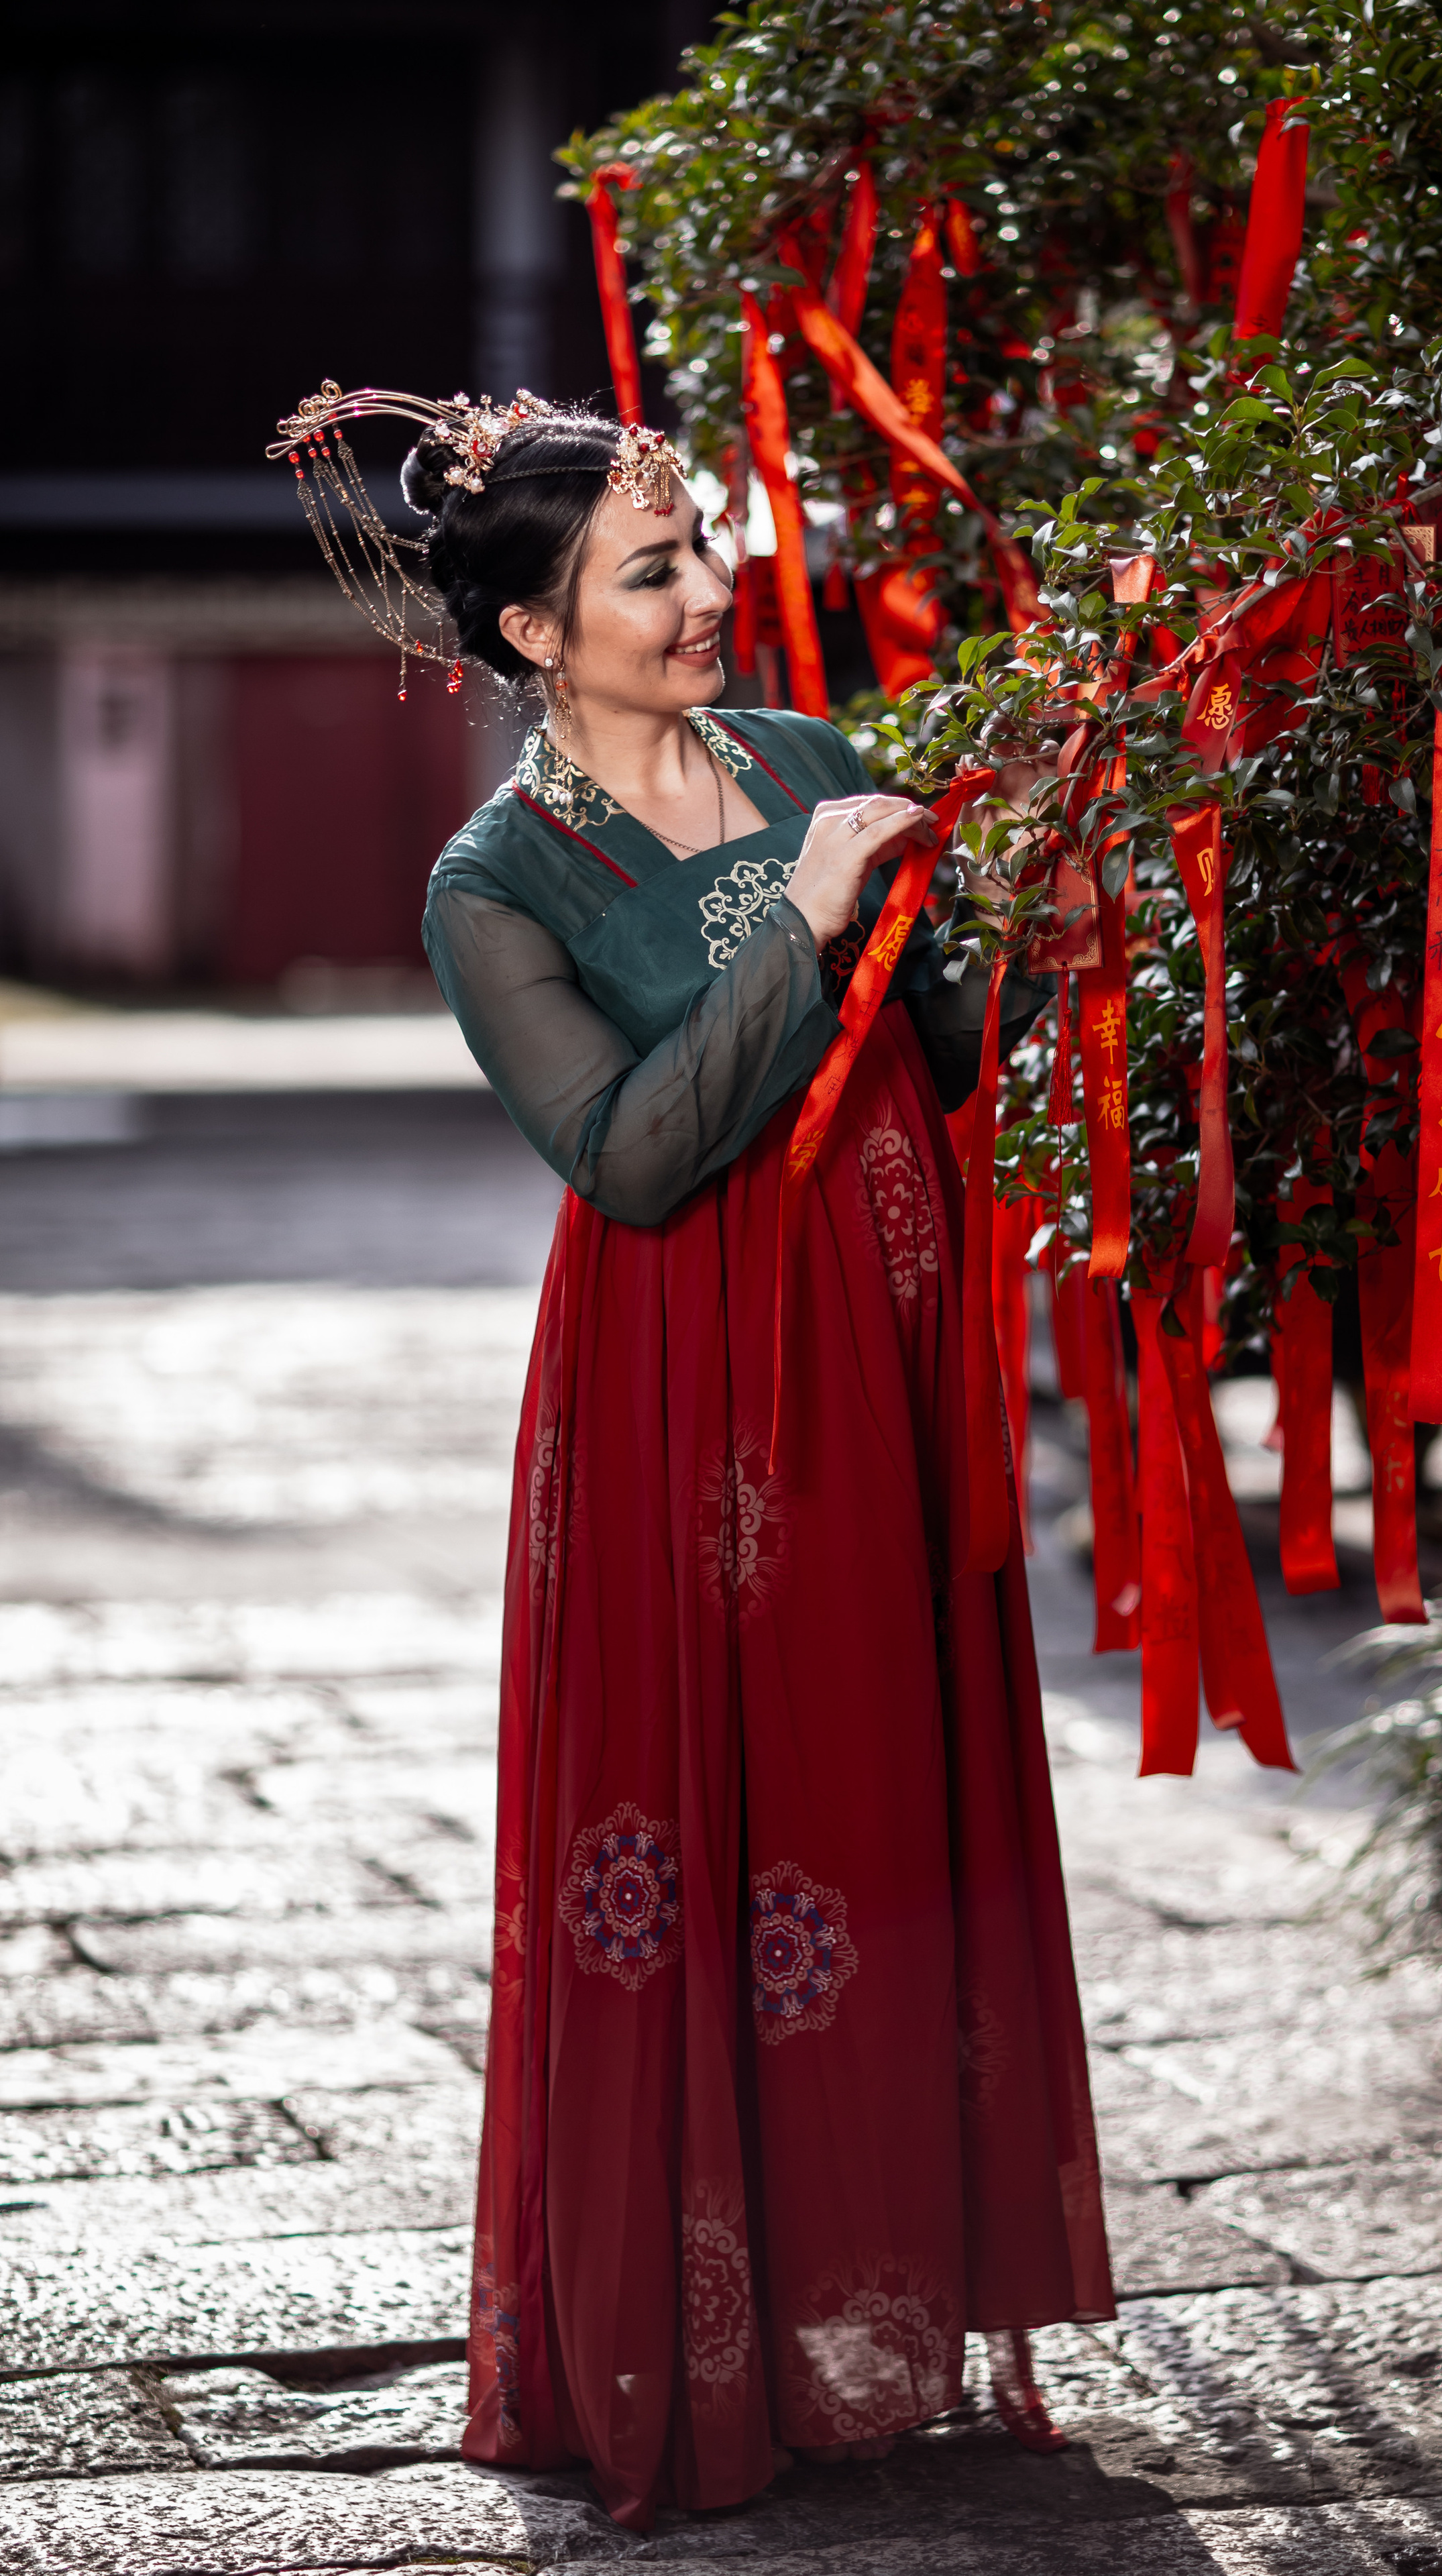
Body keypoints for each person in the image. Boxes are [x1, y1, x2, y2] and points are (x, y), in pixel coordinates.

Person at [279, 388, 1113, 2532]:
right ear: (538, 631)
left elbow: (942, 1050)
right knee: (721, 1820)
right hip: (692, 1381)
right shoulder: (495, 885)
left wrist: (1014, 918)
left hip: (892, 1343)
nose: (708, 592)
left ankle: (896, 2311)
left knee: (887, 1799)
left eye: (704, 546)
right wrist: (802, 924)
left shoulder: (812, 767)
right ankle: (707, 2342)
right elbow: (635, 1156)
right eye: (652, 570)